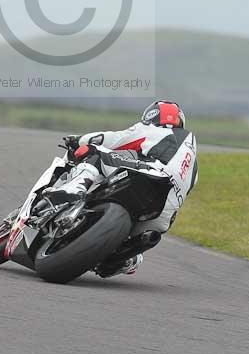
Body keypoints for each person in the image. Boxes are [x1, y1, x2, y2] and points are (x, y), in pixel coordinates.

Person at [44, 100, 198, 278]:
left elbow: (113, 139)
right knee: (143, 236)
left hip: (150, 174)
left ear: (151, 116)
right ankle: (127, 258)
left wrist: (78, 140)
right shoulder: (192, 158)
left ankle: (73, 190)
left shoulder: (154, 129)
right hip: (166, 210)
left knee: (95, 153)